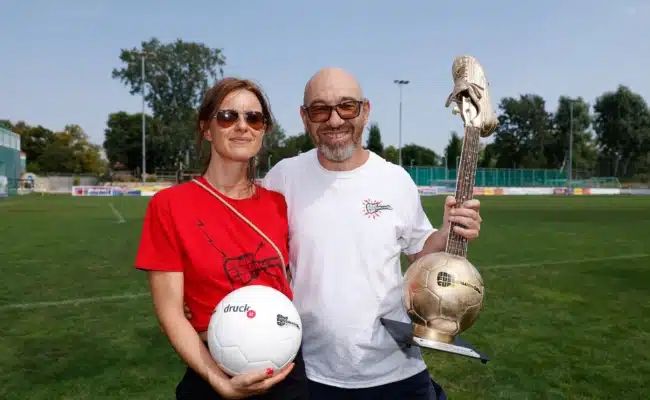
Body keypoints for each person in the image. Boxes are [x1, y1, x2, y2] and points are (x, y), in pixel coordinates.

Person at [260, 67, 484, 399]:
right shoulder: (283, 177)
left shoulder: (395, 179)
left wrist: (450, 231)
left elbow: (421, 252)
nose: (335, 120)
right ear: (305, 118)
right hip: (310, 372)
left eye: (346, 106)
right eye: (321, 109)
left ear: (365, 111)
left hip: (397, 370)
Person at [134, 77, 310, 400]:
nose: (242, 126)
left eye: (254, 118)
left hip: (288, 375)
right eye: (228, 116)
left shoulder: (278, 204)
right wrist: (220, 382)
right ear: (206, 128)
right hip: (212, 375)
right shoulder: (169, 206)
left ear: (263, 131)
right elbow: (171, 313)